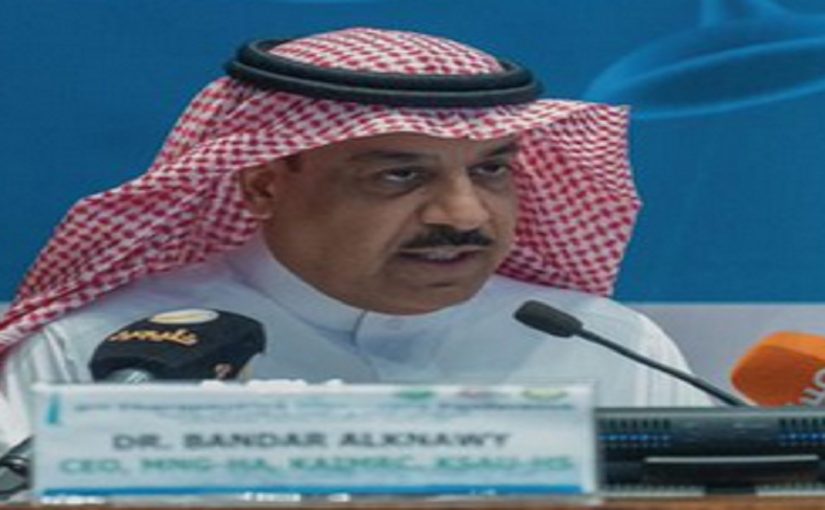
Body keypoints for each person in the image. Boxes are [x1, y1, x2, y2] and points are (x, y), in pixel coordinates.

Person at [0, 27, 709, 448]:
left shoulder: (603, 344)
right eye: (400, 176)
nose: (464, 215)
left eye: (491, 169)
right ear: (264, 185)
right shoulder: (107, 351)